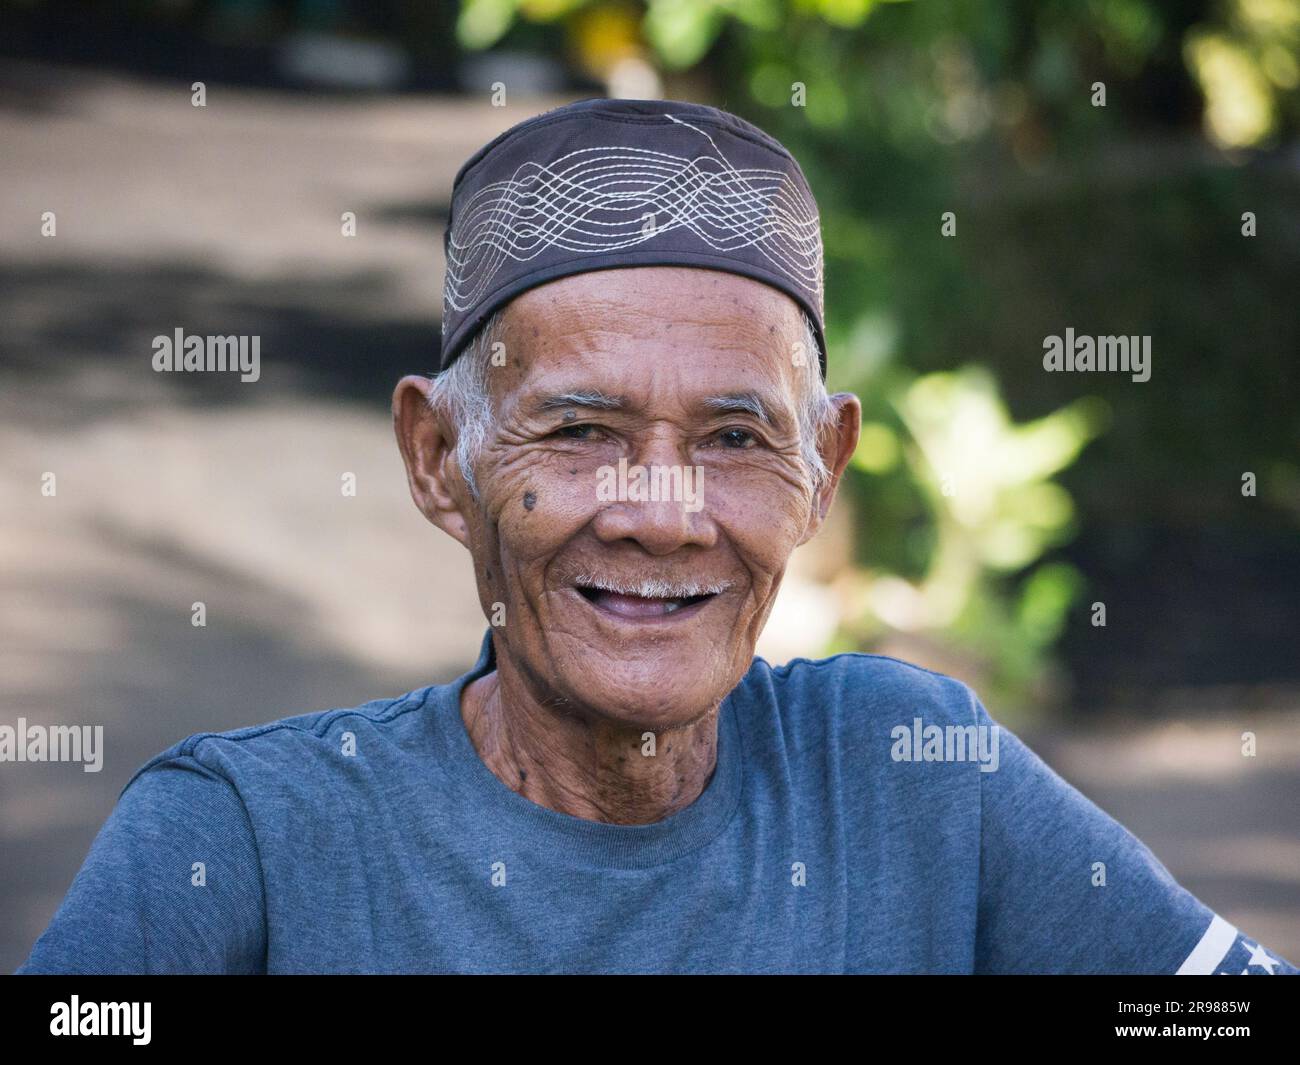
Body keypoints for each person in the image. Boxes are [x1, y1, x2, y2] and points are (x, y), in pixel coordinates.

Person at [19, 99, 1297, 974]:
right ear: (437, 460)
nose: (660, 514)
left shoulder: (914, 779)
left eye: (737, 440)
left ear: (822, 468)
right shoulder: (240, 839)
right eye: (578, 431)